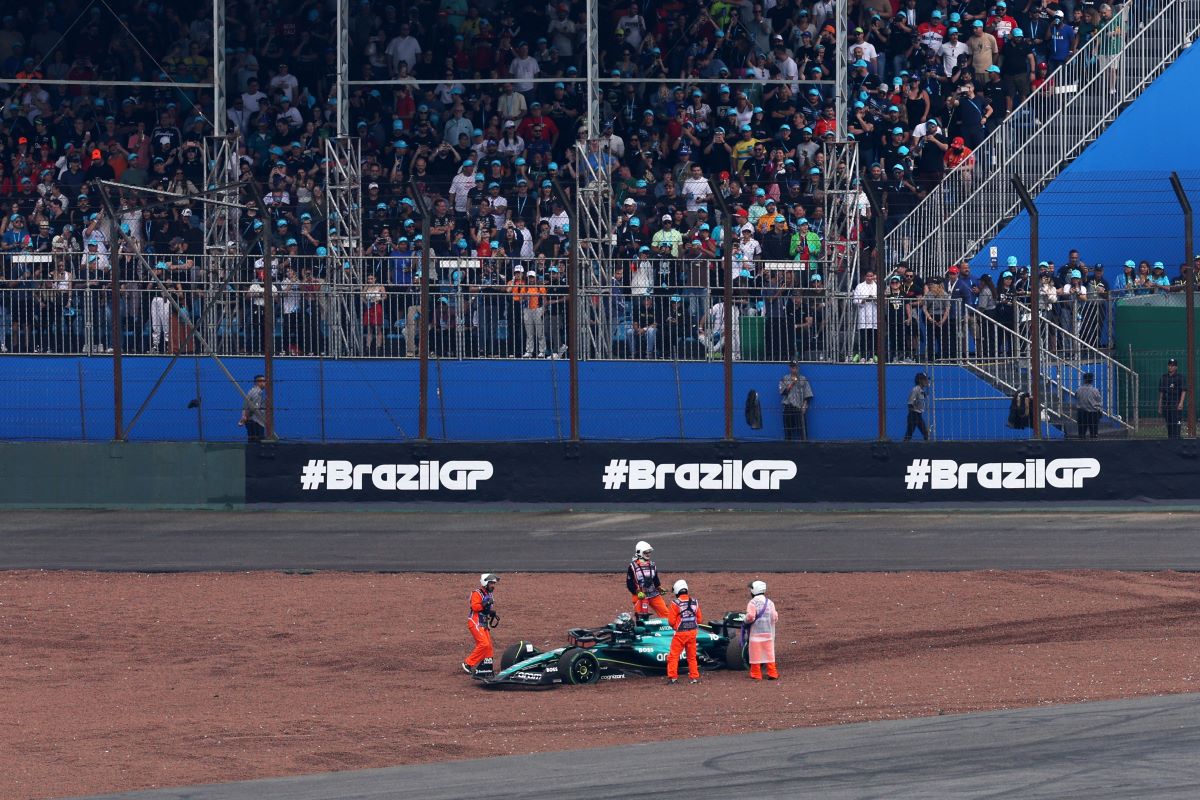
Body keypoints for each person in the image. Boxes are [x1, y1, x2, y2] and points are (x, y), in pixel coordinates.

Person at [665, 579, 703, 685]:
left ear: (677, 591)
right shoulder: (695, 602)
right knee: (692, 657)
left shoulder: (675, 603)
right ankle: (694, 677)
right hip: (692, 633)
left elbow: (671, 621)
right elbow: (699, 620)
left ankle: (673, 678)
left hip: (680, 634)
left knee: (673, 656)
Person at [463, 572, 499, 676]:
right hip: (475, 622)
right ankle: (468, 663)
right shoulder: (477, 593)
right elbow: (475, 607)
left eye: (494, 583)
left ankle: (486, 667)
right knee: (484, 644)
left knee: (488, 647)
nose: (493, 585)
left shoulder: (489, 594)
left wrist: (491, 612)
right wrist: (485, 604)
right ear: (485, 583)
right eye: (491, 583)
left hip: (483, 623)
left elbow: (485, 609)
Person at [744, 580, 779, 681]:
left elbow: (750, 616)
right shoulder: (770, 602)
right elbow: (774, 617)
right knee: (769, 654)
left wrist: (745, 621)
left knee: (755, 655)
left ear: (754, 590)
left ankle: (756, 674)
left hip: (755, 635)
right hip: (768, 634)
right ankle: (772, 673)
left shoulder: (752, 602)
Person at [626, 541, 669, 618]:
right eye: (646, 552)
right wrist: (637, 592)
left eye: (649, 552)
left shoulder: (652, 565)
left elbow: (655, 578)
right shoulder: (632, 566)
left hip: (653, 594)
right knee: (641, 617)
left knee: (666, 614)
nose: (648, 554)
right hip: (640, 596)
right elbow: (629, 583)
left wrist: (658, 588)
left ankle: (668, 629)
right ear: (640, 553)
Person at [779, 360, 813, 441]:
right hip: (788, 407)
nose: (795, 369)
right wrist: (792, 383)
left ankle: (804, 447)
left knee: (802, 430)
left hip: (799, 407)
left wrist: (805, 406)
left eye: (796, 367)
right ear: (790, 368)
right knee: (788, 431)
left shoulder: (803, 379)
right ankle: (788, 447)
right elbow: (783, 392)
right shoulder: (784, 378)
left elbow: (808, 395)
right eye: (793, 367)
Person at [1159, 358, 1187, 438]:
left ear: (1176, 367)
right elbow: (1161, 393)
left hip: (1176, 405)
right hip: (1166, 405)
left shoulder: (1180, 377)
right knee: (1169, 425)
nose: (1170, 367)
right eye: (1169, 365)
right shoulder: (1163, 378)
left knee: (1176, 424)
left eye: (1172, 365)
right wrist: (1160, 406)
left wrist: (1181, 403)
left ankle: (1177, 439)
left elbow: (1183, 390)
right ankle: (1170, 439)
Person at [238, 374, 267, 442]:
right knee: (258, 442)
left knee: (252, 441)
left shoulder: (252, 391)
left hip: (251, 420)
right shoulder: (257, 392)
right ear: (257, 382)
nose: (264, 383)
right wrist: (245, 417)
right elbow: (253, 408)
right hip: (256, 421)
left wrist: (244, 417)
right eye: (263, 381)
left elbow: (246, 406)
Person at [1075, 372, 1103, 439]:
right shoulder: (1095, 391)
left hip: (1082, 412)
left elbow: (1076, 396)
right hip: (1093, 413)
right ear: (1092, 380)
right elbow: (1099, 402)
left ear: (1084, 379)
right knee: (1093, 433)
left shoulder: (1079, 390)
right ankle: (1093, 445)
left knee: (1081, 433)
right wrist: (1100, 411)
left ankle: (1081, 444)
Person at [905, 372, 930, 441]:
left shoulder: (921, 390)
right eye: (925, 380)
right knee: (909, 434)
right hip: (914, 414)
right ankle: (903, 446)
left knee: (925, 433)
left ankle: (927, 447)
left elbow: (924, 396)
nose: (926, 381)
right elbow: (910, 403)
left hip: (918, 414)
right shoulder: (916, 389)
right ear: (920, 380)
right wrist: (913, 411)